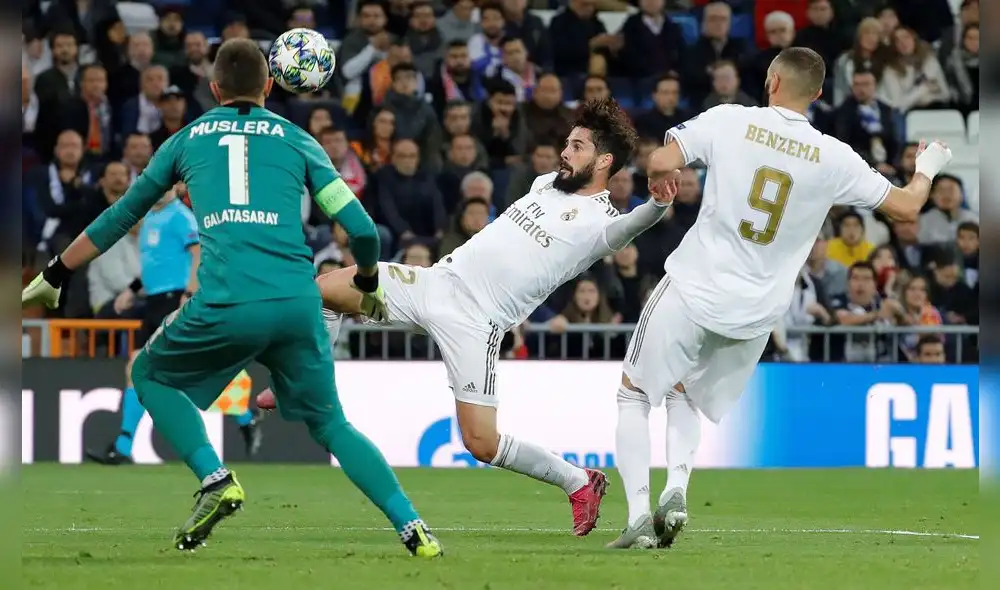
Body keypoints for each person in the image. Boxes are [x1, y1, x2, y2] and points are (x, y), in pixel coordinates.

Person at [21, 38, 442, 559]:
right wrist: (370, 282)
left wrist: (58, 270)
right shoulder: (299, 141)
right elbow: (362, 229)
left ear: (213, 88)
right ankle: (414, 528)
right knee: (332, 424)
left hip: (227, 303)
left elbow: (121, 217)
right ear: (270, 86)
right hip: (295, 305)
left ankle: (215, 478)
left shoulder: (186, 140)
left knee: (149, 375)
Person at [262, 99, 680, 537]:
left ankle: (577, 481)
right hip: (433, 284)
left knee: (481, 443)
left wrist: (655, 206)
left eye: (577, 146)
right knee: (323, 294)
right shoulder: (544, 184)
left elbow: (630, 227)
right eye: (568, 143)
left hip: (476, 325)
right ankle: (304, 381)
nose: (565, 152)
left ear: (604, 160)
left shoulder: (602, 224)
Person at [607, 47, 953, 549]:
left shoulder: (730, 120)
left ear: (770, 81)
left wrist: (662, 176)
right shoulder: (835, 155)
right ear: (816, 95)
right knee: (684, 393)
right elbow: (905, 207)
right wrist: (928, 165)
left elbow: (661, 158)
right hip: (756, 313)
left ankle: (639, 514)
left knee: (634, 394)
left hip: (695, 285)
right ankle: (676, 489)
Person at [86, 186, 263, 465]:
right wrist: (132, 290)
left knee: (144, 368)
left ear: (175, 187)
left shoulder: (181, 217)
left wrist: (189, 294)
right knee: (145, 368)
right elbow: (155, 264)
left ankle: (122, 446)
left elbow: (199, 253)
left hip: (174, 299)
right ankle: (245, 417)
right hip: (154, 303)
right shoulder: (150, 220)